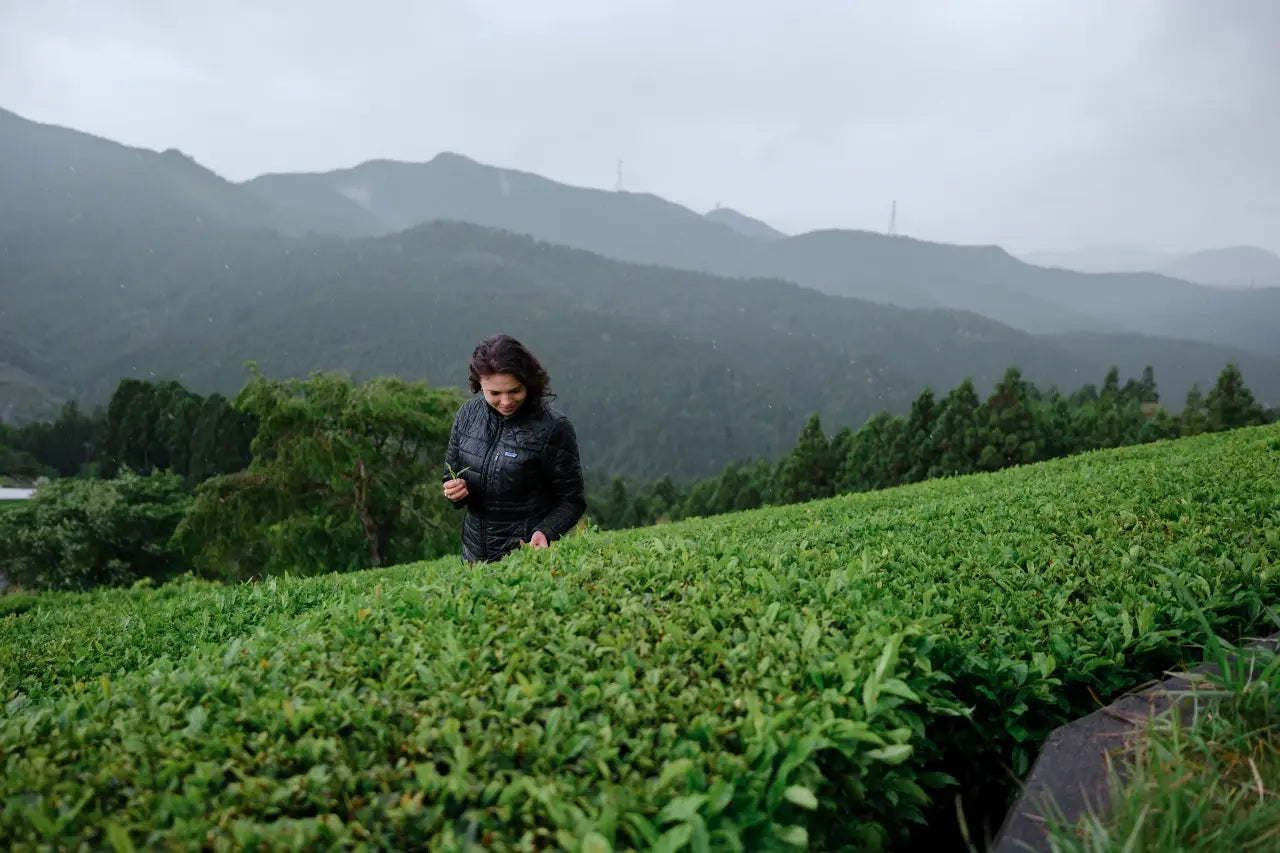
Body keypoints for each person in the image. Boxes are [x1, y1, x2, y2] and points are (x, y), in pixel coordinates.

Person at [441, 335, 586, 563]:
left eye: (515, 390)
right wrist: (455, 492)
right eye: (495, 394)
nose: (506, 401)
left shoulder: (553, 428)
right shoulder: (467, 415)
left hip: (525, 557)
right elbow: (450, 475)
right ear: (480, 385)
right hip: (472, 558)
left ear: (528, 381)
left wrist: (545, 532)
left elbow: (572, 500)